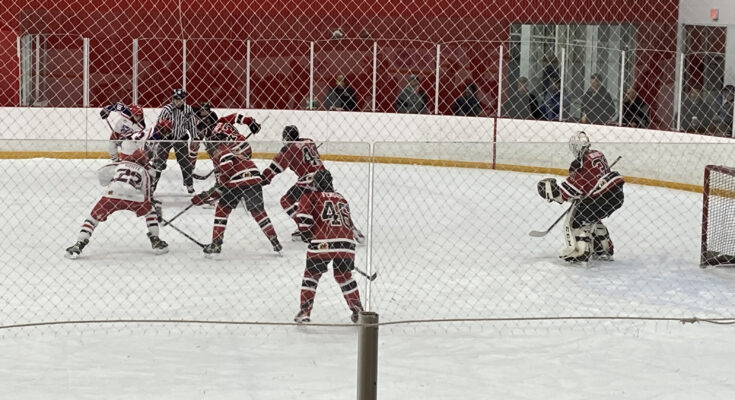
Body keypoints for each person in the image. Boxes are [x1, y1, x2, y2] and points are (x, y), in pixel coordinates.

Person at [64, 124, 170, 259]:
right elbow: (147, 192)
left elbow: (102, 174)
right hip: (134, 198)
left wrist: (112, 181)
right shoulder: (144, 171)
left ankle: (78, 244)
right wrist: (149, 205)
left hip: (111, 195)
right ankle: (155, 240)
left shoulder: (120, 164)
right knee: (150, 213)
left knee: (92, 218)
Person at [190, 113, 280, 257]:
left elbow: (225, 169)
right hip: (247, 159)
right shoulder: (222, 124)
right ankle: (275, 241)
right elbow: (238, 117)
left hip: (235, 170)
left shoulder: (219, 147)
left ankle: (216, 244)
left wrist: (211, 192)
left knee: (223, 206)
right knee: (258, 211)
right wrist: (250, 122)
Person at [261, 125, 366, 244]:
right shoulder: (310, 141)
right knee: (331, 202)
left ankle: (305, 226)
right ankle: (353, 230)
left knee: (286, 201)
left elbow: (274, 168)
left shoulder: (288, 149)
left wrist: (263, 179)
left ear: (285, 137)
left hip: (308, 181)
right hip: (325, 176)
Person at [536, 131, 624, 263]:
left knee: (577, 220)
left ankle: (580, 251)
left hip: (601, 197)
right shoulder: (598, 153)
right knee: (592, 218)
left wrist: (553, 193)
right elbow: (594, 178)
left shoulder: (579, 162)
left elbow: (572, 189)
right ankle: (603, 247)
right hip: (616, 194)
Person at [293, 169, 364, 323]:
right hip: (346, 244)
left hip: (322, 242)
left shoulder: (311, 196)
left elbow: (303, 218)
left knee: (311, 276)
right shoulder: (341, 198)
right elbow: (348, 224)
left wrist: (306, 234)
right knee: (344, 276)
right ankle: (358, 310)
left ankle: (305, 312)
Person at [149, 88, 197, 195]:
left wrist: (194, 137)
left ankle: (189, 184)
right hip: (166, 139)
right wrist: (158, 136)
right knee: (159, 162)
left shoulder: (188, 109)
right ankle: (153, 184)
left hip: (181, 138)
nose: (177, 101)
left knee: (185, 163)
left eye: (180, 99)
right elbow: (159, 125)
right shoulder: (167, 109)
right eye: (175, 99)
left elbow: (191, 125)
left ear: (184, 99)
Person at [190, 101, 219, 169]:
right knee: (194, 145)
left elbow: (215, 128)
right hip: (198, 131)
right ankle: (191, 165)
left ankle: (217, 166)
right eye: (201, 110)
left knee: (212, 150)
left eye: (204, 110)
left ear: (208, 110)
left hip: (209, 133)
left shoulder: (213, 115)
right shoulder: (194, 111)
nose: (202, 112)